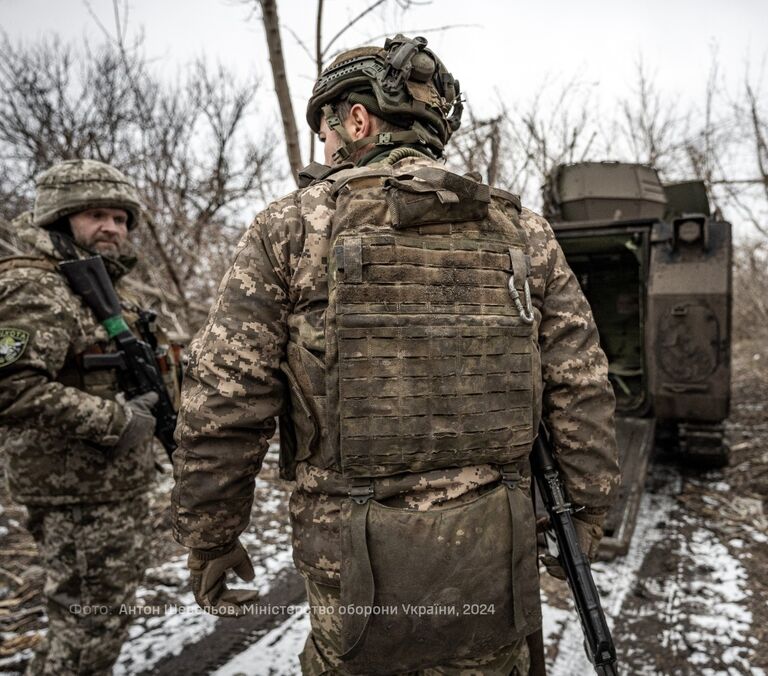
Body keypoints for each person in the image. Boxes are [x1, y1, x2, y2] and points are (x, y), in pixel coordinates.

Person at [171, 34, 620, 675]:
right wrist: (587, 510)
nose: (325, 150)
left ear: (356, 119)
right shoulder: (523, 232)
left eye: (325, 133)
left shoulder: (292, 229)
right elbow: (581, 384)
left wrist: (211, 535)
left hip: (351, 563)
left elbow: (224, 400)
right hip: (496, 554)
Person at [0, 159, 180, 675]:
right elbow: (12, 387)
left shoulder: (100, 291)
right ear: (60, 219)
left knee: (99, 620)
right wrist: (116, 421)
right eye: (96, 215)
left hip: (108, 487)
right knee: (85, 629)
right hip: (75, 495)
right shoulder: (37, 287)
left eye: (121, 218)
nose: (113, 228)